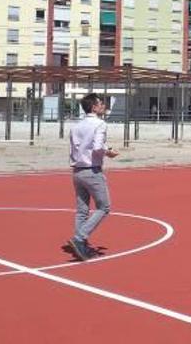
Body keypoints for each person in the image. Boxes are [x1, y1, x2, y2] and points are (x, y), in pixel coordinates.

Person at [68, 93, 119, 261]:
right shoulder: (100, 124)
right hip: (92, 170)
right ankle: (80, 238)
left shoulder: (76, 126)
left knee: (82, 210)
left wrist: (104, 148)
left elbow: (78, 148)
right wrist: (108, 152)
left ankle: (80, 243)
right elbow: (97, 147)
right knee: (104, 207)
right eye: (100, 103)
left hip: (77, 170)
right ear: (94, 107)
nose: (103, 106)